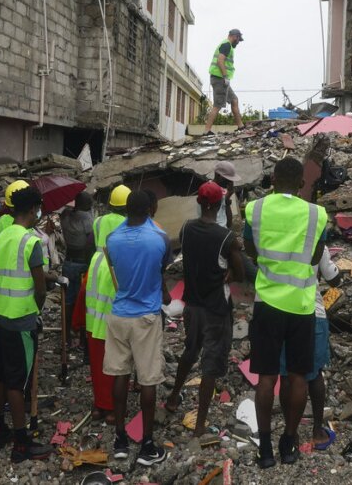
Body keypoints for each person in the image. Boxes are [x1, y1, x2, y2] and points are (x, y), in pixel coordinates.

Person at [244, 157, 327, 468]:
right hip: (302, 305)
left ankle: (265, 449)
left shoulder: (256, 208)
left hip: (267, 303)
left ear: (273, 179)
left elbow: (249, 249)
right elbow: (316, 256)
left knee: (266, 379)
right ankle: (288, 443)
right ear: (302, 183)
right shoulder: (316, 214)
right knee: (298, 378)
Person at [165, 182, 244, 439]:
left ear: (199, 203)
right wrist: (230, 271)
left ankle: (174, 396)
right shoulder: (226, 238)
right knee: (210, 365)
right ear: (221, 204)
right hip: (216, 309)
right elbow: (240, 272)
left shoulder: (186, 229)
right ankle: (200, 425)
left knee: (190, 350)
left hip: (193, 305)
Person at [0, 187, 53, 463]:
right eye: (38, 209)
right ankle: (21, 441)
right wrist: (36, 310)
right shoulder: (30, 242)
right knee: (17, 381)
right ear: (33, 209)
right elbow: (40, 289)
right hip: (20, 320)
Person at [104, 191, 171, 466]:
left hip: (119, 313)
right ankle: (146, 444)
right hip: (146, 316)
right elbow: (161, 269)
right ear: (151, 209)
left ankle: (120, 439)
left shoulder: (112, 239)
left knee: (120, 374)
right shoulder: (159, 239)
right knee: (148, 379)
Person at [277, 246, 342, 451]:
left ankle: (290, 432)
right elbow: (334, 279)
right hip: (312, 312)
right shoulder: (316, 239)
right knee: (314, 374)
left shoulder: (277, 238)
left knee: (287, 375)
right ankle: (316, 429)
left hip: (281, 311)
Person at [85, 184, 131, 423]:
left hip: (95, 269)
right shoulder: (128, 224)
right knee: (117, 351)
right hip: (114, 270)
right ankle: (112, 407)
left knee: (97, 350)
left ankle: (99, 405)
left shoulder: (98, 221)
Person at [61, 191, 94, 349]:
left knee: (68, 302)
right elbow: (90, 241)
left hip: (68, 262)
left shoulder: (65, 215)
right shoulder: (86, 218)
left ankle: (66, 338)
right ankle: (82, 339)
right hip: (82, 264)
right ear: (86, 204)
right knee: (83, 302)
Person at [203, 29, 245, 134]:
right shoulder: (226, 45)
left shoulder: (227, 46)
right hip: (220, 79)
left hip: (221, 79)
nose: (238, 42)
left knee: (234, 100)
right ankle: (206, 130)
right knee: (217, 105)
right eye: (238, 39)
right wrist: (225, 76)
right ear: (235, 36)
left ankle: (241, 126)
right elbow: (220, 60)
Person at [197, 161, 242, 229]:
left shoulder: (222, 192)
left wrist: (228, 196)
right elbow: (213, 224)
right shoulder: (207, 192)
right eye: (229, 179)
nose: (231, 182)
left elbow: (228, 224)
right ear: (218, 175)